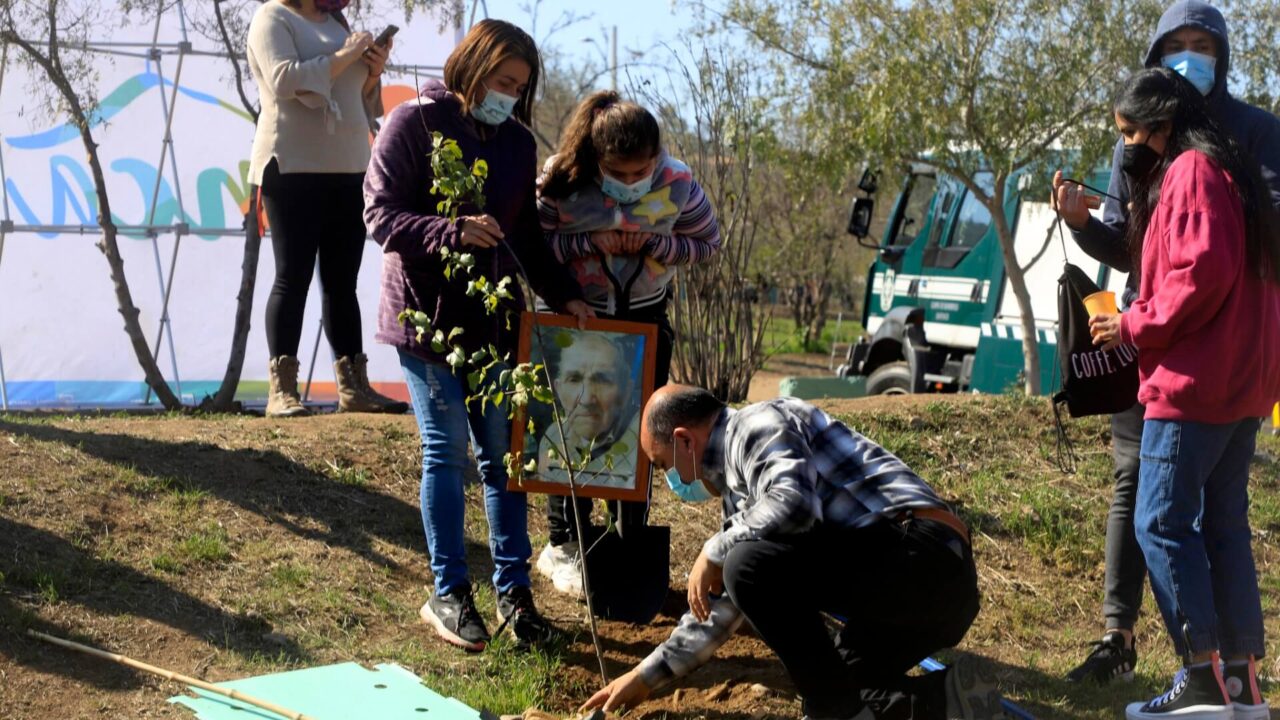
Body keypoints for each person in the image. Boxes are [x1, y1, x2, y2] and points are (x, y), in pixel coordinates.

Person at [1050, 0, 1280, 685]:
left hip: (1195, 370)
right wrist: (1085, 227)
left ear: (1157, 119)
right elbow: (1141, 248)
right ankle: (1236, 678)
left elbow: (1205, 268)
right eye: (1174, 43)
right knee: (1219, 524)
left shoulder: (1208, 161)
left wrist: (1138, 323)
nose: (1187, 54)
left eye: (1199, 42)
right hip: (1227, 368)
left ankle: (1202, 675)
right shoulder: (1171, 158)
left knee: (1159, 520)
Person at [363, 19, 594, 652]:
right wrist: (451, 230)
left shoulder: (517, 144)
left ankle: (516, 600)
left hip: (495, 323)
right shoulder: (413, 125)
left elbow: (525, 237)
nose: (509, 95)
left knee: (505, 461)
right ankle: (449, 593)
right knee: (447, 450)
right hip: (425, 318)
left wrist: (563, 293)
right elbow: (380, 217)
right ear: (470, 67)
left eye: (519, 86)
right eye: (501, 81)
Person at [583, 384, 1005, 720]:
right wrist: (642, 678)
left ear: (684, 441)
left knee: (744, 564)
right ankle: (949, 697)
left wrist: (715, 548)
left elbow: (795, 506)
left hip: (922, 557)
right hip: (926, 588)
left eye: (663, 465)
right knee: (833, 680)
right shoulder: (744, 500)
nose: (672, 482)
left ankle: (839, 715)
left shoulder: (756, 424)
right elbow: (721, 609)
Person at [534, 91, 722, 598]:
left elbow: (708, 242)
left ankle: (626, 535)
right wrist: (588, 243)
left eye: (643, 171)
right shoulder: (560, 180)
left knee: (638, 430)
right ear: (596, 160)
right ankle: (564, 540)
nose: (634, 181)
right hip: (577, 316)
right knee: (572, 425)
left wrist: (658, 244)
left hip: (643, 318)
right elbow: (536, 243)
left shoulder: (677, 182)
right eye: (622, 171)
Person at [246, 0, 406, 417]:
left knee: (342, 282)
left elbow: (361, 99)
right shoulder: (272, 18)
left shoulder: (337, 23)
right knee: (292, 276)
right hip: (292, 164)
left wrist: (372, 71)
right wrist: (347, 54)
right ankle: (282, 392)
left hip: (350, 167)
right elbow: (283, 80)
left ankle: (354, 387)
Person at [535, 333, 641, 491]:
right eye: (574, 379)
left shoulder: (640, 443)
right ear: (559, 390)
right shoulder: (552, 439)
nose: (585, 399)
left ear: (626, 392)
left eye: (602, 380)